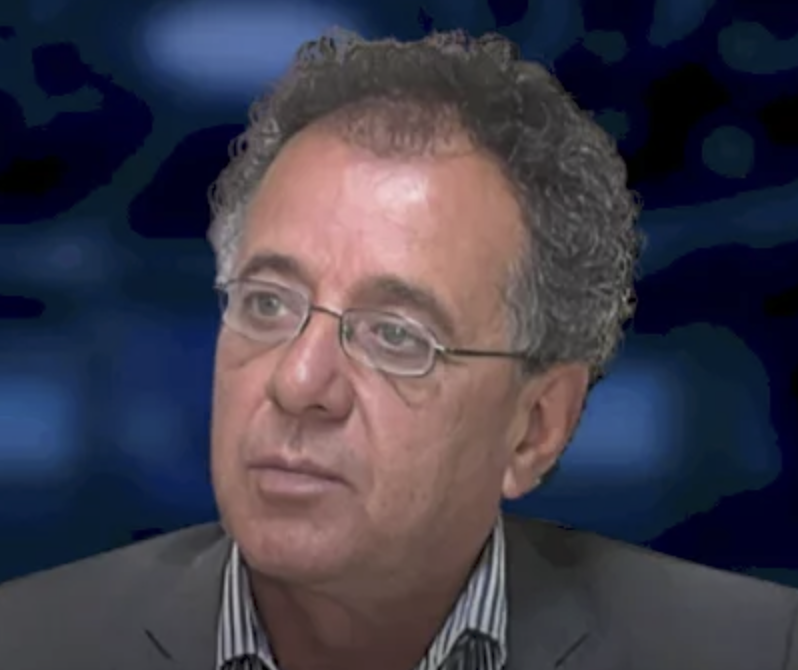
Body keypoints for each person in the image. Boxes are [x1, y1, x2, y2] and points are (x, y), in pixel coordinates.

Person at [0, 29, 796, 670]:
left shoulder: (752, 653)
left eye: (396, 336)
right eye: (268, 304)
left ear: (535, 428)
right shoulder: (27, 645)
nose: (298, 383)